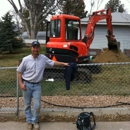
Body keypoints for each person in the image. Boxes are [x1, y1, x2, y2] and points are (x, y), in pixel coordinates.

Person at [17, 41, 68, 130]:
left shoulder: (43, 58)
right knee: (27, 105)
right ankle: (29, 121)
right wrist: (21, 83)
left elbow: (53, 63)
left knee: (37, 105)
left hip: (37, 86)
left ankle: (35, 121)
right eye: (34, 47)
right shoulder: (25, 59)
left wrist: (64, 64)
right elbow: (19, 72)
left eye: (37, 47)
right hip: (26, 85)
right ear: (31, 48)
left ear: (39, 49)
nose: (35, 49)